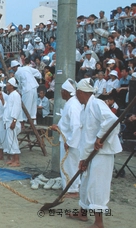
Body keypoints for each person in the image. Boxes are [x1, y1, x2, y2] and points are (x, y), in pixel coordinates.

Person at [69, 78, 122, 228]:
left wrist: (100, 137)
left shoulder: (97, 104)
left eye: (76, 94)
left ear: (80, 92)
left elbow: (112, 120)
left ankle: (99, 223)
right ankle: (82, 213)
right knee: (85, 183)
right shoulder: (86, 108)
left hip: (102, 154)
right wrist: (83, 158)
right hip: (91, 153)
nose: (76, 97)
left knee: (97, 186)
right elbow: (86, 136)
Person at [51, 79, 82, 198]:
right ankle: (69, 188)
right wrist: (58, 127)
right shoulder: (70, 103)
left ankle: (72, 190)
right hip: (66, 139)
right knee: (67, 165)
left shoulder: (73, 105)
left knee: (70, 165)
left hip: (71, 141)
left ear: (66, 92)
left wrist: (69, 142)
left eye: (62, 91)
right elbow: (67, 123)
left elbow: (76, 126)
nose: (60, 92)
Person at [13, 59, 41, 126]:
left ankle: (23, 121)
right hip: (34, 87)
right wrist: (39, 77)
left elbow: (19, 84)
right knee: (33, 104)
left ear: (15, 67)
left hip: (27, 89)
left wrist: (19, 91)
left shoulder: (17, 73)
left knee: (26, 105)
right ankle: (34, 121)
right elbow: (37, 72)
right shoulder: (27, 68)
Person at [3, 77, 23, 167]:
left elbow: (17, 109)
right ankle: (13, 159)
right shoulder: (11, 95)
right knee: (10, 141)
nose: (6, 86)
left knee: (13, 141)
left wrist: (14, 121)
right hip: (8, 121)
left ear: (11, 86)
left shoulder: (16, 95)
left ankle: (17, 160)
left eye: (8, 84)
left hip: (12, 121)